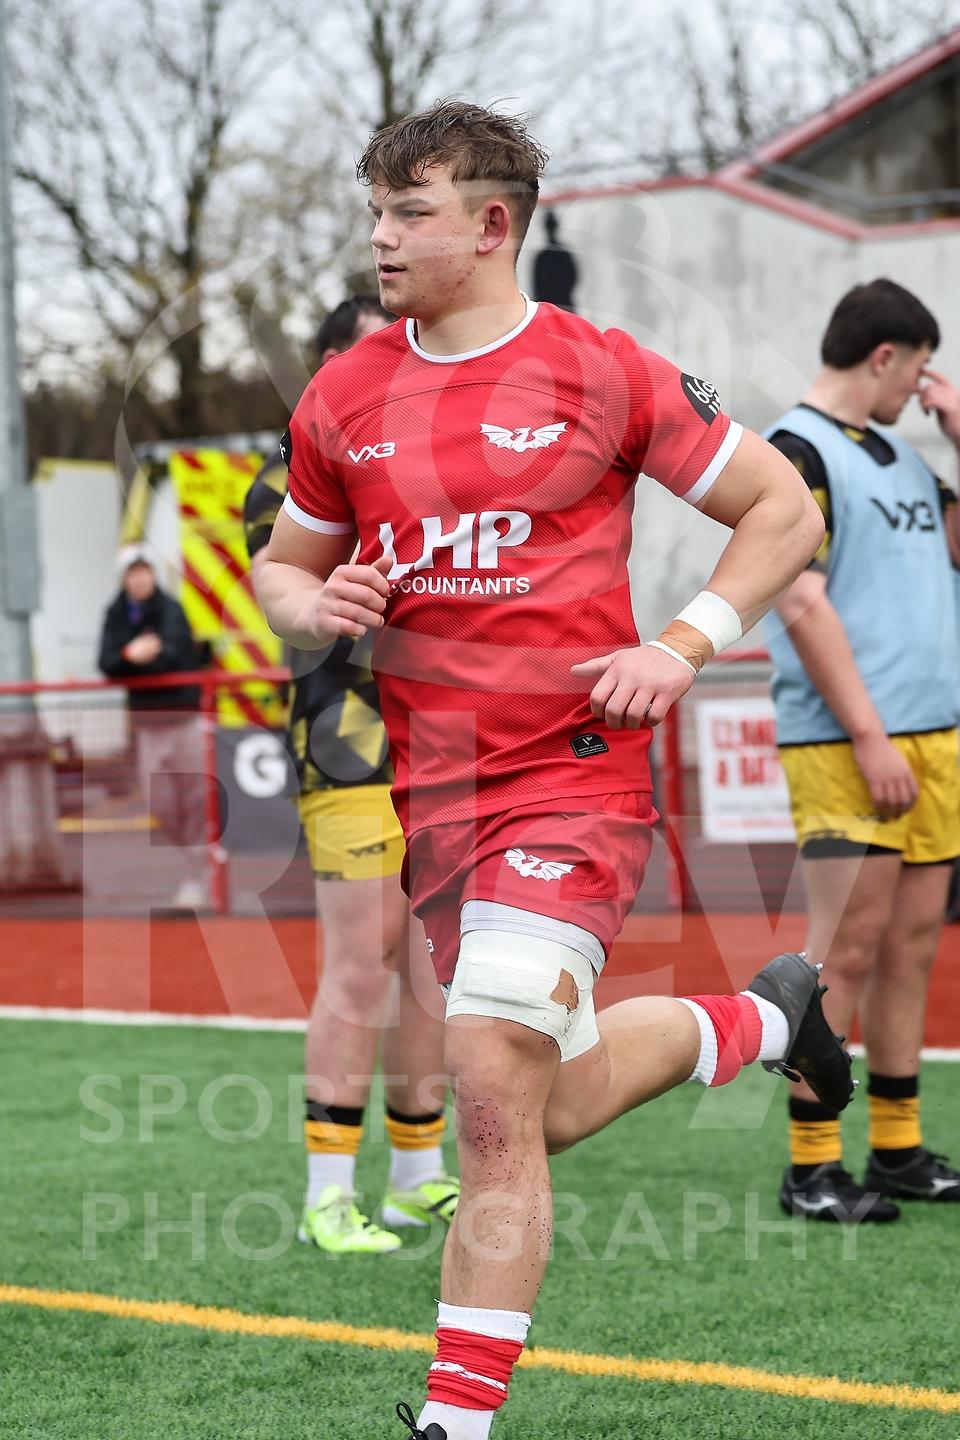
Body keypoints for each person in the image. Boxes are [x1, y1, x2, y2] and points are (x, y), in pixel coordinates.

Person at [256, 100, 848, 1440]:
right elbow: (283, 572)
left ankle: (454, 1424)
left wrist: (684, 643)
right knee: (539, 1098)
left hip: (574, 780)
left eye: (410, 212)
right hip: (435, 804)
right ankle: (762, 1021)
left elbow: (781, 507)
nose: (381, 236)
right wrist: (315, 603)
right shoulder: (343, 394)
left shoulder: (602, 370)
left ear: (491, 224)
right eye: (376, 210)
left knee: (483, 1077)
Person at [244, 296, 459, 1255]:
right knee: (362, 962)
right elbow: (293, 594)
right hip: (349, 741)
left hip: (438, 743)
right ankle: (327, 1196)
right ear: (332, 363)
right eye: (377, 351)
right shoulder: (289, 472)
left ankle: (416, 1176)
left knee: (427, 963)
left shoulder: (418, 454)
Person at [765, 279, 960, 1223]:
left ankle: (897, 1149)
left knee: (912, 947)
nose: (922, 388)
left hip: (935, 737)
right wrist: (871, 735)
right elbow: (800, 598)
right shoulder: (794, 449)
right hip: (848, 743)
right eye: (919, 370)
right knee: (842, 950)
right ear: (885, 356)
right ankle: (811, 1166)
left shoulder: (908, 457)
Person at [98, 545, 208, 909]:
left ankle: (197, 875)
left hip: (185, 718)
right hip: (147, 724)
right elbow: (107, 661)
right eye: (133, 572)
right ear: (124, 578)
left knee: (196, 799)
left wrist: (134, 660)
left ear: (153, 574)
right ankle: (196, 859)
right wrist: (130, 655)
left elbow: (175, 655)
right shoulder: (115, 614)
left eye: (144, 571)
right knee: (158, 802)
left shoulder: (170, 609)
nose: (140, 578)